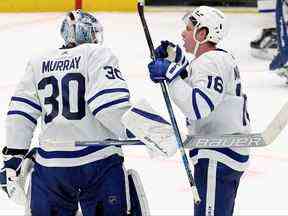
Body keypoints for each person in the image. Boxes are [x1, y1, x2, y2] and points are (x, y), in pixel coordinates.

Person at [0, 10, 149, 216]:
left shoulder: (38, 62)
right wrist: (146, 131)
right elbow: (109, 106)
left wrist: (13, 157)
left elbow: (20, 113)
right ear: (87, 34)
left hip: (51, 167)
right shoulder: (97, 54)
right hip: (97, 162)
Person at [147, 6, 251, 216]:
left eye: (188, 28)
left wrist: (171, 75)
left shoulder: (211, 61)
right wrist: (176, 60)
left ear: (201, 33)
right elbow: (199, 83)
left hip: (218, 153)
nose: (183, 33)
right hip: (224, 151)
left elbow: (198, 106)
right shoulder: (216, 59)